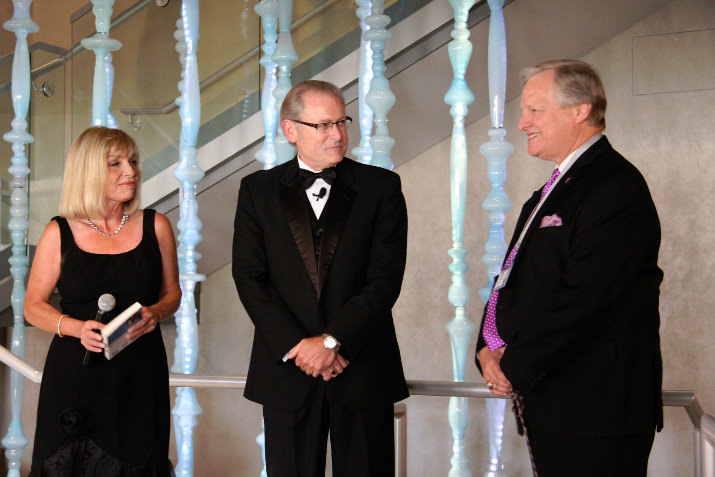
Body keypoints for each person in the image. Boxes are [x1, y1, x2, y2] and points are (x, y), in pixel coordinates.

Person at [475, 59, 663, 476]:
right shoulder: (552, 190)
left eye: (534, 110)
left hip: (595, 413)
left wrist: (514, 365)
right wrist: (486, 349)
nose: (521, 122)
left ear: (580, 110)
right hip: (558, 406)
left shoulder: (614, 187)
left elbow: (587, 301)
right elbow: (514, 280)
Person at [233, 80, 408, 477]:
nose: (337, 134)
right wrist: (301, 348)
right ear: (290, 130)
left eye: (342, 121)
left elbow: (384, 280)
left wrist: (332, 341)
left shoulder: (382, 187)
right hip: (288, 373)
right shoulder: (257, 191)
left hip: (361, 368)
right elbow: (249, 278)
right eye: (324, 125)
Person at [25, 126, 181, 476]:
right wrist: (76, 327)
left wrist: (155, 312)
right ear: (88, 171)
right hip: (75, 374)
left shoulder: (156, 225)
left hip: (139, 372)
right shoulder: (58, 231)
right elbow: (33, 305)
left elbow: (173, 294)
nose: (131, 171)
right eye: (116, 163)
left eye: (133, 161)